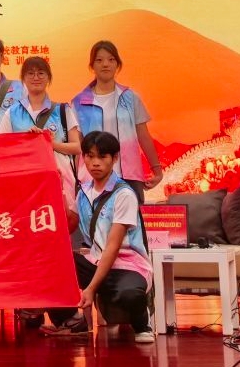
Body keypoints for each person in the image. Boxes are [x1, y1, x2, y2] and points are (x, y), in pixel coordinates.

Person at [44, 131, 155, 343]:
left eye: (102, 157)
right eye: (90, 156)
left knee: (130, 295)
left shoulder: (124, 194)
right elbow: (68, 225)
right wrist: (57, 189)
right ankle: (71, 321)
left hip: (127, 266)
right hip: (95, 261)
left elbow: (112, 247)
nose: (95, 163)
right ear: (84, 157)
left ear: (114, 158)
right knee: (49, 264)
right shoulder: (84, 192)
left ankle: (142, 323)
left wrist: (90, 288)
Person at [9, 55, 83, 330]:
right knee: (29, 249)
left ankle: (63, 313)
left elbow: (77, 146)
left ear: (48, 78)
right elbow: (4, 148)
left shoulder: (63, 110)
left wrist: (48, 142)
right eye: (30, 73)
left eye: (41, 72)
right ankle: (31, 308)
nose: (36, 77)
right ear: (23, 79)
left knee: (57, 249)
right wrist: (26, 143)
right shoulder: (12, 113)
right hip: (25, 190)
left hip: (59, 187)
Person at [70, 40, 163, 200]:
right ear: (92, 66)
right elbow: (77, 145)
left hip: (128, 176)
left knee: (130, 216)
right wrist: (73, 178)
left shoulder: (130, 97)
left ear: (117, 64)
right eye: (99, 60)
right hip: (92, 177)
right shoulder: (79, 103)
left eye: (111, 59)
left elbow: (143, 135)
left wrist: (157, 169)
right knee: (95, 216)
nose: (105, 64)